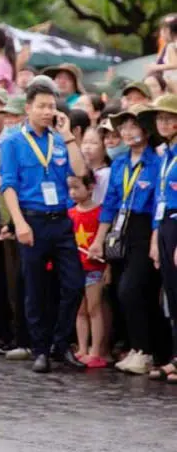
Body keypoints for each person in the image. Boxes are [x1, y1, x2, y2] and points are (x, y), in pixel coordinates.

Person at [0, 77, 89, 373]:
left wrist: (69, 136)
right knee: (34, 289)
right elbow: (8, 186)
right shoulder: (13, 141)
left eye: (51, 106)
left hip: (61, 221)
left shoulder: (59, 139)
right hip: (32, 219)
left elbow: (79, 172)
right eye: (41, 106)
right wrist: (20, 224)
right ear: (28, 108)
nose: (47, 111)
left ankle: (60, 345)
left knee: (74, 283)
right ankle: (40, 349)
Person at [88, 108, 161, 376]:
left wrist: (156, 237)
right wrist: (99, 240)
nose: (128, 132)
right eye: (123, 127)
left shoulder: (157, 161)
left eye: (134, 126)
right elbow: (109, 204)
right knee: (120, 290)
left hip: (146, 229)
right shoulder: (119, 162)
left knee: (133, 289)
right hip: (121, 229)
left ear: (146, 129)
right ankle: (136, 348)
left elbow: (159, 203)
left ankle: (147, 351)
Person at [144, 94, 177, 381]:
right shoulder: (164, 153)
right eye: (160, 118)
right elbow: (161, 198)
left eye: (169, 117)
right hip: (165, 224)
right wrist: (155, 236)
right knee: (172, 293)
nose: (164, 123)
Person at [68, 173, 109, 367]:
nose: (73, 193)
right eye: (70, 188)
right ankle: (82, 348)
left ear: (91, 187)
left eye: (77, 188)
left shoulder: (101, 213)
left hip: (94, 268)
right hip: (76, 268)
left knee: (94, 308)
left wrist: (107, 266)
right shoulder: (70, 213)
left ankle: (96, 350)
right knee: (80, 310)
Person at [81, 126, 111, 204]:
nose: (87, 147)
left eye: (94, 143)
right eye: (84, 142)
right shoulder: (81, 170)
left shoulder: (106, 173)